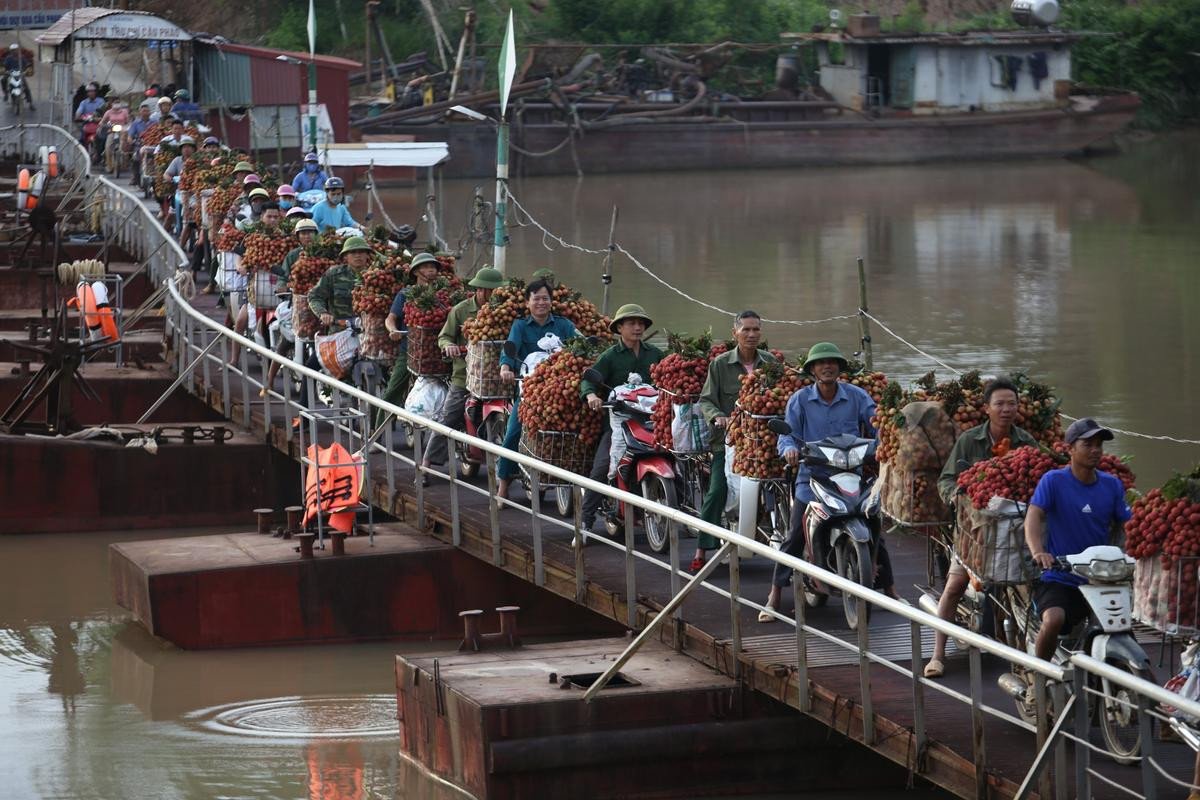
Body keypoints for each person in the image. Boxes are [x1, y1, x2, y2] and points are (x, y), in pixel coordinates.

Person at [761, 341, 900, 622]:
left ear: (839, 368)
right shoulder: (799, 400)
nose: (827, 367)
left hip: (852, 476)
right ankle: (774, 596)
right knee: (794, 537)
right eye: (821, 363)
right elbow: (786, 435)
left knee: (874, 527)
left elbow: (877, 423)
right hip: (812, 478)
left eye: (832, 363)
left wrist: (885, 441)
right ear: (812, 370)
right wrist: (788, 449)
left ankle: (890, 589)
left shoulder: (857, 396)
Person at [923, 376, 1040, 678]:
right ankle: (937, 654)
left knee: (1032, 592)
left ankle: (1033, 660)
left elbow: (1041, 484)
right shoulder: (969, 440)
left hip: (1014, 529)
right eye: (999, 404)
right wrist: (960, 497)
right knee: (954, 587)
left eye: (1011, 404)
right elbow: (947, 480)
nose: (1006, 409)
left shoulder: (1026, 443)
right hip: (975, 532)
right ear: (986, 408)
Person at [1024, 418, 1131, 662]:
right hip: (1059, 575)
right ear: (1070, 448)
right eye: (1088, 444)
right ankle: (1039, 673)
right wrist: (1038, 551)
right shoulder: (1054, 481)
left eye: (1099, 445)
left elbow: (1129, 524)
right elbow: (1034, 515)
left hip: (1099, 578)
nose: (1095, 450)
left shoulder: (1112, 485)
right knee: (1053, 620)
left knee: (1120, 626)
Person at [691, 311, 777, 571]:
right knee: (717, 490)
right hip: (728, 442)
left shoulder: (771, 363)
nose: (751, 335)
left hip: (764, 443)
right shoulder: (720, 364)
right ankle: (702, 549)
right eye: (746, 330)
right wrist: (718, 416)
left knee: (782, 487)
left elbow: (784, 394)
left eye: (756, 330)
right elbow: (705, 400)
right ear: (735, 333)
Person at [578, 303, 664, 530]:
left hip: (651, 423)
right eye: (631, 323)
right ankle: (586, 521)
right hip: (618, 425)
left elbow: (667, 379)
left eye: (640, 323)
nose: (637, 328)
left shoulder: (654, 353)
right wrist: (591, 396)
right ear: (620, 328)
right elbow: (588, 380)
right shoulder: (610, 356)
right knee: (601, 468)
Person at [418, 266, 506, 477]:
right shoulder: (460, 310)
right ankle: (426, 465)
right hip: (464, 375)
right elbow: (444, 336)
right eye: (487, 291)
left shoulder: (505, 311)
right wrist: (449, 345)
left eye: (495, 291)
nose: (491, 295)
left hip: (498, 377)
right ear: (478, 290)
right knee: (448, 418)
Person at [495, 279, 579, 500]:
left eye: (545, 298)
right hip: (530, 390)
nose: (541, 303)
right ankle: (503, 485)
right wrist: (505, 367)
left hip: (560, 389)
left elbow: (580, 347)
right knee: (513, 432)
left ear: (551, 301)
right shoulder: (520, 326)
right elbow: (509, 351)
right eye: (537, 298)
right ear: (527, 302)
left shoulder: (564, 325)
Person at [377, 252, 442, 428]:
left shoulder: (443, 294)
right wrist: (393, 330)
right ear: (415, 272)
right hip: (411, 350)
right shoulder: (406, 294)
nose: (430, 270)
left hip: (440, 351)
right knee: (393, 390)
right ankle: (377, 435)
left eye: (433, 267)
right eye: (426, 267)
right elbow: (390, 319)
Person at [261, 218, 319, 397]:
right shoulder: (293, 255)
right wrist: (282, 285)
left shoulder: (323, 253)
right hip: (299, 305)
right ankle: (268, 383)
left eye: (310, 232)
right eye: (303, 233)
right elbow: (283, 277)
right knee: (285, 342)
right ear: (298, 237)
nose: (307, 236)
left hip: (321, 305)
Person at [97, 98, 131, 168]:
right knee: (108, 146)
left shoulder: (124, 111)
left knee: (124, 144)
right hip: (111, 130)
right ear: (112, 105)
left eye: (118, 103)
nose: (116, 105)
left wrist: (128, 126)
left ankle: (125, 162)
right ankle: (109, 165)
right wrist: (101, 124)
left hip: (122, 130)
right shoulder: (108, 112)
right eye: (115, 103)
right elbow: (103, 121)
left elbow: (128, 122)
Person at [3, 44, 33, 109]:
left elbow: (28, 65)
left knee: (26, 88)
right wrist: (6, 71)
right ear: (11, 51)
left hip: (20, 74)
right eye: (13, 50)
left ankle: (30, 103)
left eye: (16, 50)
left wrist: (27, 70)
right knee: (3, 79)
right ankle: (5, 93)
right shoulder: (8, 58)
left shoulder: (22, 57)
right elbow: (5, 66)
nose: (14, 51)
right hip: (11, 74)